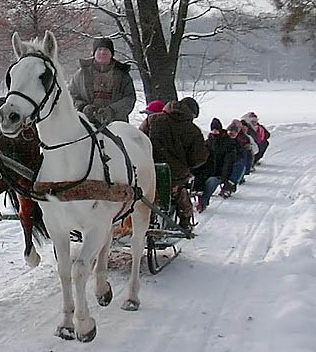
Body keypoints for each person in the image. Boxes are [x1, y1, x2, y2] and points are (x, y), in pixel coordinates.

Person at [139, 97, 209, 230]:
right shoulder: (193, 130)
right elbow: (198, 159)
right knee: (181, 193)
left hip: (147, 170)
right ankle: (185, 221)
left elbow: (138, 139)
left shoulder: (152, 120)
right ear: (192, 114)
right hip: (174, 176)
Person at [68, 37, 136, 124]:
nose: (102, 52)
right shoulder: (81, 74)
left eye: (106, 49)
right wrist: (83, 107)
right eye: (99, 49)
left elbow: (129, 98)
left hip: (116, 124)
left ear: (112, 53)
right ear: (94, 53)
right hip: (86, 124)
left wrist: (112, 111)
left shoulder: (122, 75)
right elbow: (71, 95)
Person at [192, 118, 239, 211]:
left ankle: (204, 201)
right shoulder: (208, 142)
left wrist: (224, 176)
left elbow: (228, 161)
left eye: (217, 130)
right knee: (199, 179)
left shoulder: (228, 143)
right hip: (208, 170)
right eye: (213, 130)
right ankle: (198, 197)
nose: (215, 132)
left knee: (211, 182)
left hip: (220, 172)